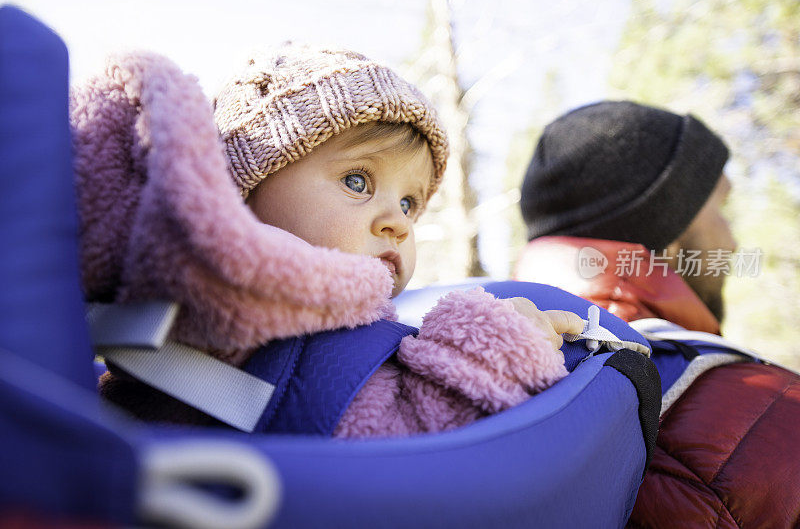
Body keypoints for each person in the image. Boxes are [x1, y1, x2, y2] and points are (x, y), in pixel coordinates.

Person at [76, 44, 584, 438]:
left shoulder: (329, 322)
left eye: (409, 203)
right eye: (358, 181)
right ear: (242, 197)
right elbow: (404, 442)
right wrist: (498, 344)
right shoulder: (231, 320)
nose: (400, 223)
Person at [515, 100, 800, 528]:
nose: (734, 242)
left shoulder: (496, 364)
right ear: (666, 238)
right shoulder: (766, 410)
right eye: (719, 211)